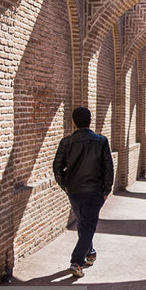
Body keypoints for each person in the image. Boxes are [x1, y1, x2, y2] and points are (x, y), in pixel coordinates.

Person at [53, 106, 114, 278]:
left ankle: (90, 253)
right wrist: (106, 189)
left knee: (83, 223)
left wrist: (65, 185)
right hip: (95, 191)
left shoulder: (66, 143)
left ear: (73, 122)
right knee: (87, 225)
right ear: (90, 121)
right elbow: (108, 168)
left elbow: (57, 168)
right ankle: (77, 261)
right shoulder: (101, 141)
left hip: (75, 191)